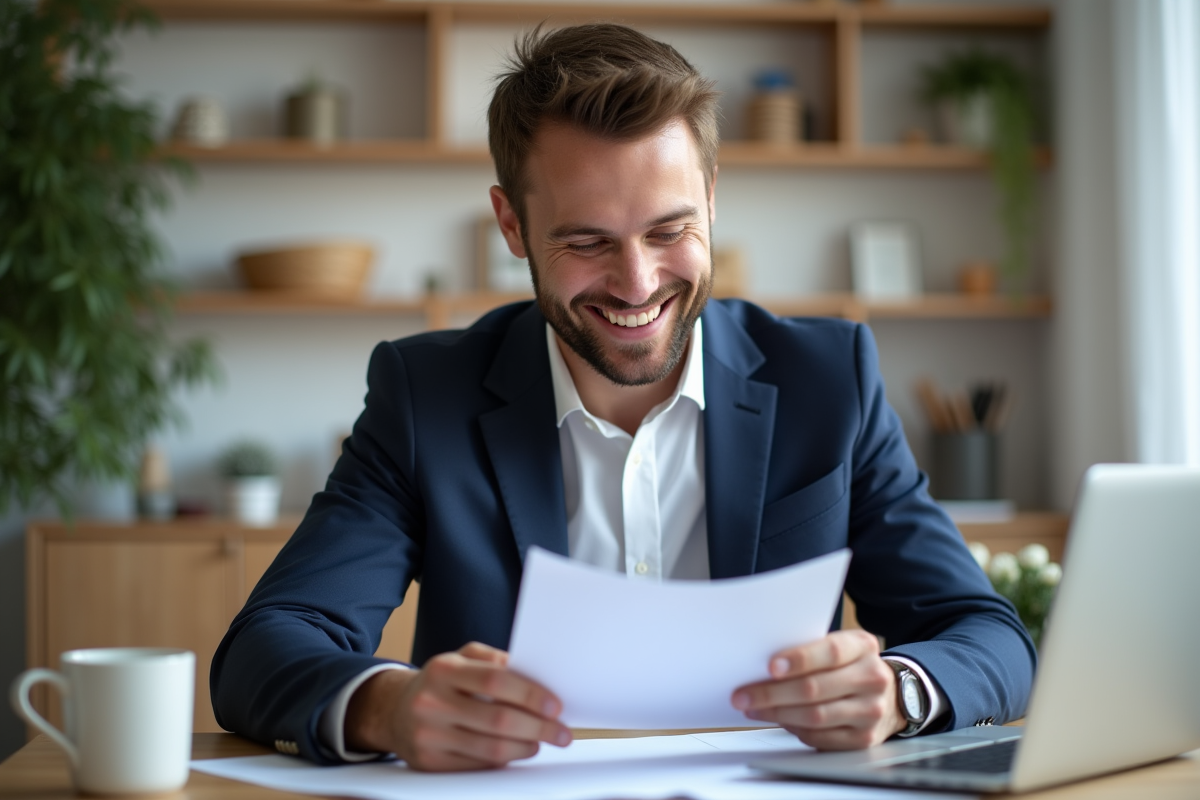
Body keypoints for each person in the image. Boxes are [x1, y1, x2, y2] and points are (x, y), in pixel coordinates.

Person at [211, 24, 1035, 773]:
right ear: (511, 226)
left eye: (669, 230)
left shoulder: (827, 378)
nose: (637, 284)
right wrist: (389, 707)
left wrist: (897, 690)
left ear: (712, 198)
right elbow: (264, 649)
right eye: (585, 241)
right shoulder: (427, 397)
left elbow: (990, 636)